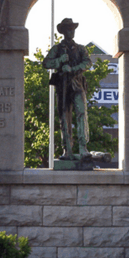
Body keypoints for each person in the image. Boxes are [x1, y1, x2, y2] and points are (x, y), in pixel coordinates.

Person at [43, 18, 92, 160]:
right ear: (64, 31)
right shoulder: (57, 49)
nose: (71, 32)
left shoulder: (81, 48)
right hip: (62, 87)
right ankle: (67, 149)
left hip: (77, 85)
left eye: (73, 29)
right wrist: (59, 61)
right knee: (64, 117)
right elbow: (46, 63)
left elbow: (87, 62)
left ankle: (83, 148)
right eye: (68, 29)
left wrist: (73, 69)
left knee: (81, 115)